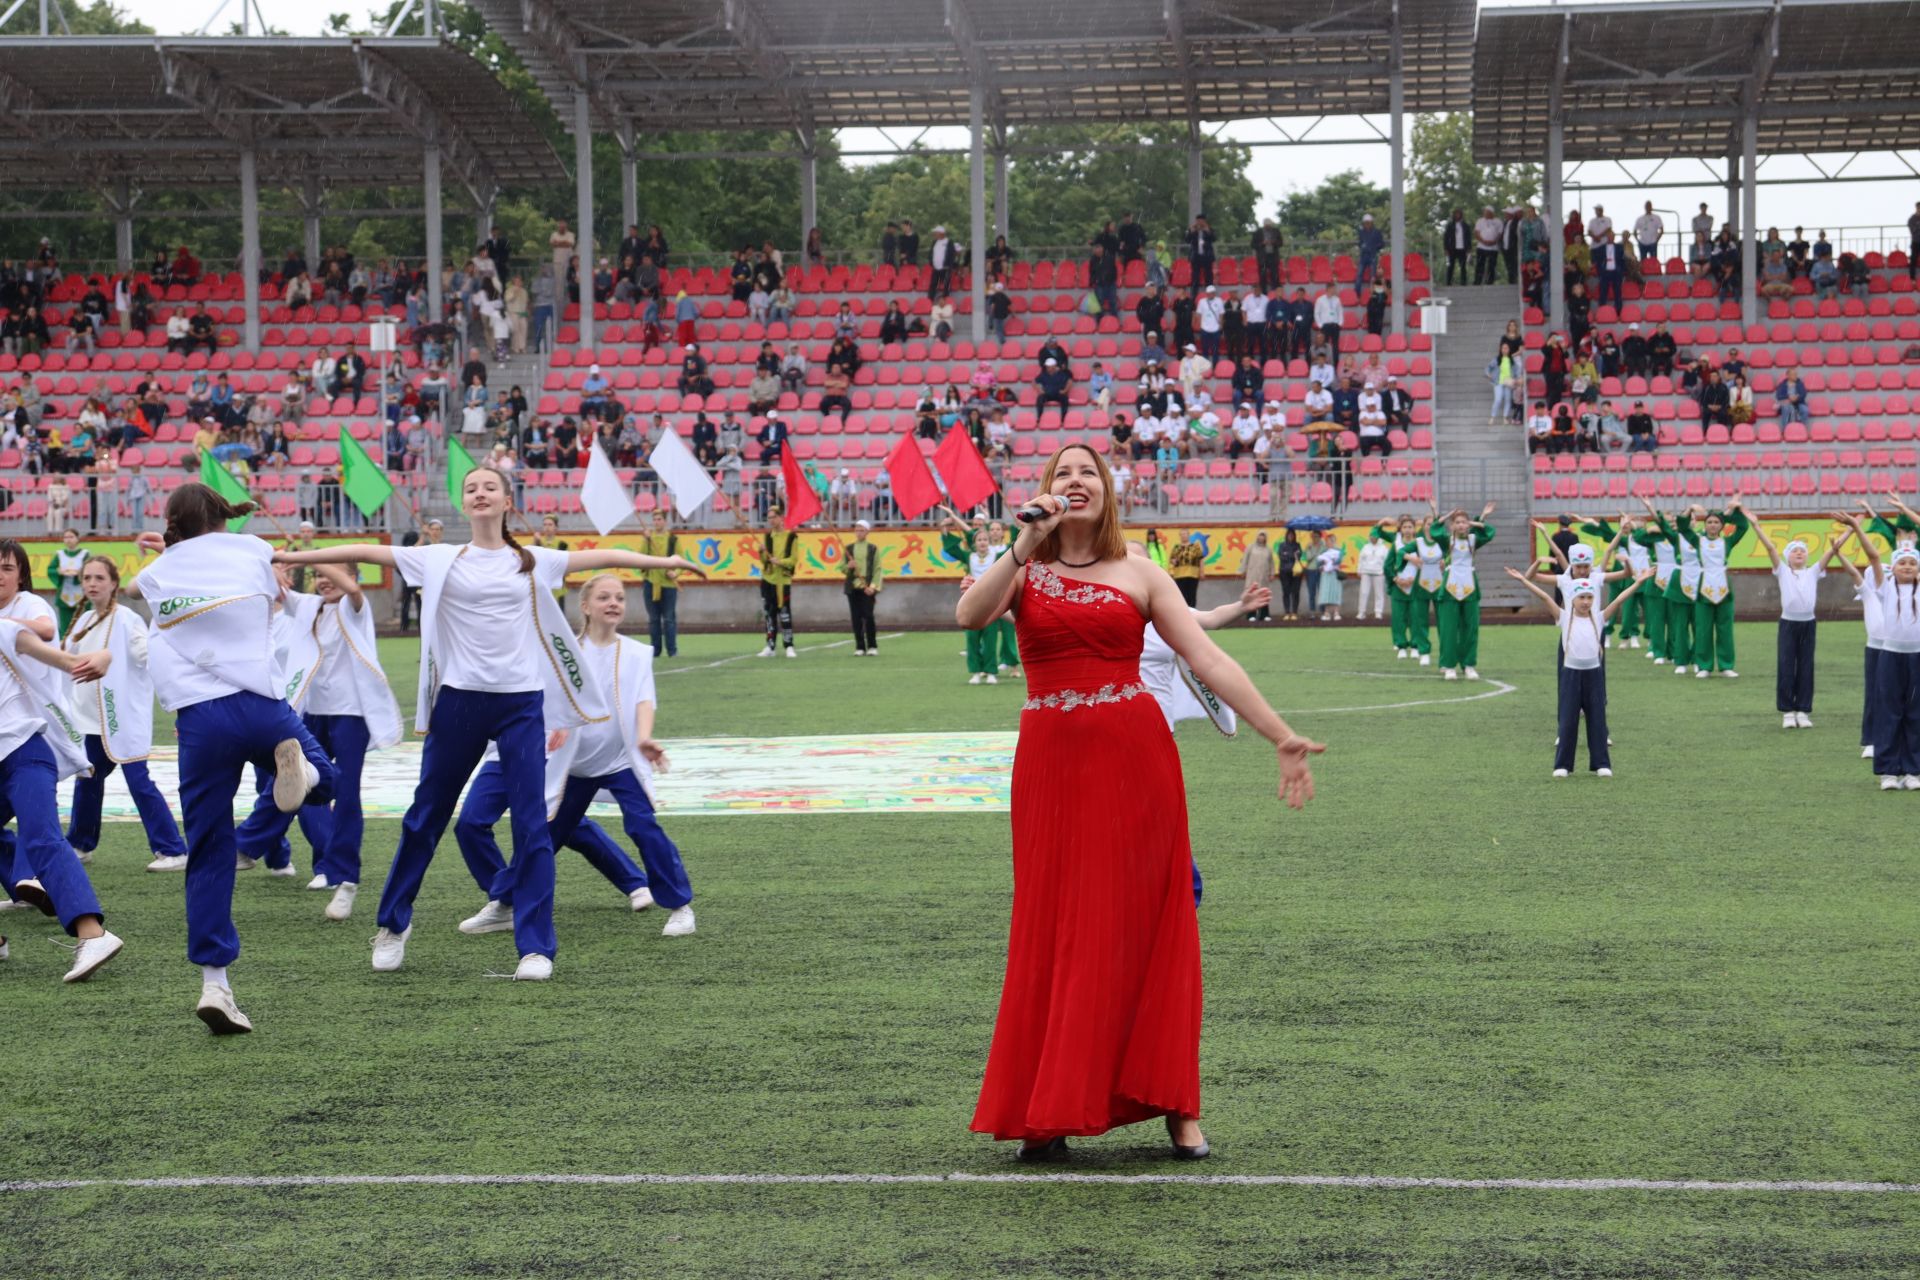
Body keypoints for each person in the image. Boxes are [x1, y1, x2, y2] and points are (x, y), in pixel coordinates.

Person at [958, 442, 1323, 1161]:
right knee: (1056, 929)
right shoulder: (1022, 571)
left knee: (1152, 930)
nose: (1076, 481)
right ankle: (1049, 1107)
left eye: (1088, 472)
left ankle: (1177, 1106)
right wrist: (1023, 539)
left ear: (1109, 490)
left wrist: (1278, 735)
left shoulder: (1143, 574)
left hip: (1136, 763)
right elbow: (970, 615)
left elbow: (1208, 659)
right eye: (1063, 473)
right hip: (1051, 766)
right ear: (1046, 491)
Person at [272, 467, 704, 981]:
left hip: (522, 706)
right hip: (458, 703)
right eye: (471, 488)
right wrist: (289, 556)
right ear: (464, 502)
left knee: (531, 826)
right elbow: (368, 552)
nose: (479, 493)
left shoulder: (534, 560)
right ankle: (393, 925)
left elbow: (608, 556)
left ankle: (536, 947)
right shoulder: (438, 558)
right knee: (425, 818)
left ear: (506, 500)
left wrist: (667, 560)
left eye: (489, 487)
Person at [130, 484, 336, 1032]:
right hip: (263, 708)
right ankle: (305, 771)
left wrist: (166, 557)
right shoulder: (252, 550)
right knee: (328, 780)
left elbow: (141, 589)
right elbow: (270, 589)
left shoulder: (159, 575)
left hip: (201, 722)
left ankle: (215, 985)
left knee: (209, 849)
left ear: (173, 523)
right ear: (222, 515)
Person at [230, 560, 402, 921]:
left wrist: (312, 558)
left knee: (347, 793)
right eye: (320, 577)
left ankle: (344, 879)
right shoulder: (308, 606)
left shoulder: (355, 608)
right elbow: (278, 590)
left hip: (352, 714)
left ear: (353, 577)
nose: (325, 581)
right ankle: (246, 845)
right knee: (291, 778)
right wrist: (268, 562)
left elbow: (351, 591)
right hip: (311, 711)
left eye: (333, 574)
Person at [536, 574, 697, 936]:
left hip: (620, 762)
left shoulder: (638, 653)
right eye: (605, 597)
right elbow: (548, 699)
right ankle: (507, 899)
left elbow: (644, 699)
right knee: (546, 837)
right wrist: (557, 723)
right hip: (573, 768)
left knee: (644, 826)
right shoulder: (564, 652)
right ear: (585, 606)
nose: (613, 603)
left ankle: (679, 906)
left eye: (620, 598)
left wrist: (643, 739)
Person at [0, 597, 125, 983]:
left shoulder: (5, 629)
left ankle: (94, 935)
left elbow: (62, 659)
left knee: (42, 837)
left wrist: (99, 657)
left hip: (24, 751)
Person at [59, 554, 187, 873]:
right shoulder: (84, 620)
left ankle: (173, 849)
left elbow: (146, 654)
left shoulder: (128, 619)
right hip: (90, 721)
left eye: (99, 578)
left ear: (114, 583)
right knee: (88, 779)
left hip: (122, 718)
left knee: (138, 781)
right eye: (87, 578)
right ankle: (80, 842)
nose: (91, 584)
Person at [1505, 569, 1652, 778]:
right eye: (1581, 597)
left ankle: (1601, 763)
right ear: (1572, 599)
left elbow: (1619, 599)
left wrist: (1639, 582)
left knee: (1597, 719)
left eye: (1589, 597)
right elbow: (1544, 596)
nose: (1585, 602)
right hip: (1570, 675)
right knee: (1567, 720)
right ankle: (1563, 765)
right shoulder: (1563, 618)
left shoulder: (1600, 618)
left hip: (1594, 675)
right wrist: (1522, 579)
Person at [1836, 513, 1920, 789]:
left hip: (1916, 658)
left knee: (1915, 712)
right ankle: (1888, 772)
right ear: (1893, 567)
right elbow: (1873, 556)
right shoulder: (1885, 589)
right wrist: (1858, 527)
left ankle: (1912, 771)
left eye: (1912, 563)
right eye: (1902, 563)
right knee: (1889, 710)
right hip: (1890, 656)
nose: (1907, 567)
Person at [1751, 518, 1845, 729]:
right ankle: (1787, 712)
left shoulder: (1813, 572)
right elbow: (1770, 548)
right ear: (1788, 557)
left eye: (1802, 550)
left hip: (1808, 624)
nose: (1799, 553)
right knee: (1786, 665)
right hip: (1788, 624)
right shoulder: (1782, 571)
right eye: (1795, 551)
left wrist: (1850, 529)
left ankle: (1803, 710)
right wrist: (1756, 526)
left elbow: (1832, 551)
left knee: (1805, 666)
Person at [1675, 500, 1750, 679]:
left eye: (1716, 522)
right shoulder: (1697, 540)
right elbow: (1682, 526)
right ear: (1704, 524)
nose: (1713, 525)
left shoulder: (1728, 541)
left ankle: (1726, 666)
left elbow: (1743, 526)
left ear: (1722, 526)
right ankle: (1704, 666)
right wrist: (1691, 508)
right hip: (1703, 588)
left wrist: (1731, 510)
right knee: (1703, 629)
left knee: (1725, 629)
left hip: (1724, 589)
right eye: (1709, 522)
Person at [1429, 503, 1497, 681]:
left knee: (1470, 629)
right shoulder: (1447, 540)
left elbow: (1489, 532)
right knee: (1448, 629)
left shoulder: (1474, 540)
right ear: (1452, 525)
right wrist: (1442, 516)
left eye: (1464, 522)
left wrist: (1479, 520)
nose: (1461, 525)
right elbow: (1435, 531)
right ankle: (1449, 665)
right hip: (1450, 587)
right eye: (1457, 522)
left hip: (1470, 588)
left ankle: (1469, 665)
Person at [640, 511, 684, 659]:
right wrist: (646, 540)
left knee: (669, 619)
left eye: (659, 519)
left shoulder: (673, 539)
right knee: (653, 619)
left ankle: (672, 650)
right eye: (654, 519)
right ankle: (655, 650)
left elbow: (681, 561)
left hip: (669, 585)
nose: (656, 522)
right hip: (651, 583)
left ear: (665, 521)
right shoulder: (648, 538)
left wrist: (676, 573)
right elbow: (641, 557)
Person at [759, 511, 799, 658]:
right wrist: (762, 552)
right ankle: (770, 645)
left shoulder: (791, 537)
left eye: (774, 517)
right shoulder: (767, 537)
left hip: (783, 581)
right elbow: (763, 561)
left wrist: (780, 562)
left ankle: (789, 645)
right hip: (768, 579)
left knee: (785, 614)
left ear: (781, 518)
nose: (771, 520)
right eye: (769, 517)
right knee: (769, 614)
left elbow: (794, 559)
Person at [842, 520, 883, 656]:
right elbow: (841, 568)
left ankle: (872, 645)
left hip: (867, 586)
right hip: (853, 587)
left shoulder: (873, 548)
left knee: (868, 616)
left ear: (867, 532)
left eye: (862, 530)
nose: (859, 532)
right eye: (857, 530)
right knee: (856, 617)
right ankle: (860, 646)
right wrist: (849, 566)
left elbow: (877, 569)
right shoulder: (848, 549)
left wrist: (873, 587)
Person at [50, 529, 86, 637]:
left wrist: (79, 574)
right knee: (65, 625)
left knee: (83, 622)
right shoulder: (59, 554)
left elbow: (89, 569)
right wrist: (59, 572)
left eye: (71, 537)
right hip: (64, 595)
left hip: (81, 594)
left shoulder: (84, 554)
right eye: (66, 537)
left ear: (77, 539)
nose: (68, 540)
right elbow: (51, 569)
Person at [1355, 530, 1388, 621]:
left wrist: (1385, 571)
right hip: (1366, 572)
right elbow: (1361, 559)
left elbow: (1387, 561)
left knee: (1379, 593)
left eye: (1374, 536)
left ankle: (1378, 612)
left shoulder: (1383, 548)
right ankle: (1361, 612)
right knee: (1363, 592)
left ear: (1378, 537)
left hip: (1379, 573)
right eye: (1371, 536)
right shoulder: (1365, 547)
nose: (1373, 538)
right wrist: (1359, 570)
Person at [1241, 532, 1273, 623]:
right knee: (1252, 594)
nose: (1261, 538)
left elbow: (1271, 562)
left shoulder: (1268, 549)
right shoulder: (1251, 547)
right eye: (1260, 535)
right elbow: (1245, 560)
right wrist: (1243, 571)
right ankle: (1251, 615)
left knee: (1264, 594)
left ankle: (1264, 615)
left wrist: (1272, 573)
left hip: (1263, 576)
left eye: (1263, 536)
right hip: (1252, 575)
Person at [1313, 534, 1344, 622]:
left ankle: (1336, 612)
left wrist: (1334, 561)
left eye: (1331, 541)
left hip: (1335, 574)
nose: (1329, 543)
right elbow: (1318, 563)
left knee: (1335, 592)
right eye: (1327, 541)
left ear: (1334, 541)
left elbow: (1339, 561)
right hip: (1326, 574)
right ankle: (1326, 613)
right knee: (1326, 592)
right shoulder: (1323, 551)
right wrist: (1322, 564)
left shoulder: (1338, 551)